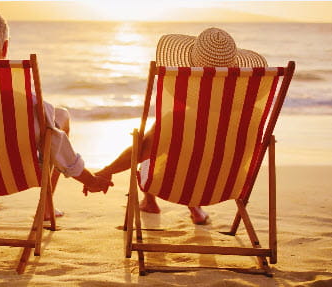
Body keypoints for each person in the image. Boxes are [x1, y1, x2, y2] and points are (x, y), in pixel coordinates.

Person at [95, 27, 268, 225]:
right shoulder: (251, 118)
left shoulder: (176, 120)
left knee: (152, 152)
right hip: (226, 186)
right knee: (201, 156)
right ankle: (196, 207)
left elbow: (140, 150)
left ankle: (150, 202)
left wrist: (106, 171)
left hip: (175, 186)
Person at [0, 6, 113, 216]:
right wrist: (90, 180)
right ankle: (46, 207)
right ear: (5, 48)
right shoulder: (22, 103)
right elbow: (56, 143)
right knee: (59, 118)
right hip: (16, 174)